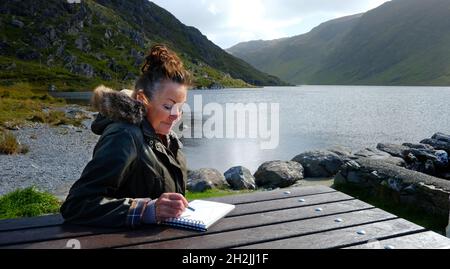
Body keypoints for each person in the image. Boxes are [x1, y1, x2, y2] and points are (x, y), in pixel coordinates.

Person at [60, 44, 191, 228]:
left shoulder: (168, 138)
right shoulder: (124, 135)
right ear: (141, 99)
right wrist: (147, 210)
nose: (176, 115)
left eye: (180, 107)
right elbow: (77, 205)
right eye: (168, 106)